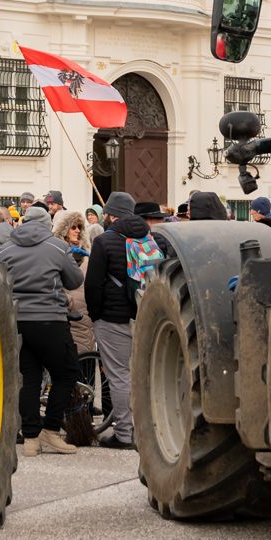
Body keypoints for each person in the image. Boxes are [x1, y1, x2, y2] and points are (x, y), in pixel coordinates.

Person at [4, 205, 84, 456]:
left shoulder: (6, 249)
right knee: (68, 373)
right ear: (47, 223)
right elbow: (75, 281)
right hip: (49, 320)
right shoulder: (56, 247)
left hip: (17, 321)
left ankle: (30, 438)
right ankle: (50, 429)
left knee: (29, 379)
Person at [84, 191, 153, 450]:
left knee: (120, 376)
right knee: (140, 374)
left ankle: (124, 434)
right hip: (143, 315)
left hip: (112, 318)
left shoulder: (104, 241)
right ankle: (144, 430)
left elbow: (93, 284)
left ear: (111, 215)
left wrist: (96, 314)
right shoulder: (149, 236)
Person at [55, 209, 99, 378]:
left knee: (86, 370)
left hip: (85, 318)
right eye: (73, 226)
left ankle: (85, 405)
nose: (77, 230)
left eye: (80, 226)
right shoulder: (57, 255)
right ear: (63, 230)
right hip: (65, 317)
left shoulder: (88, 256)